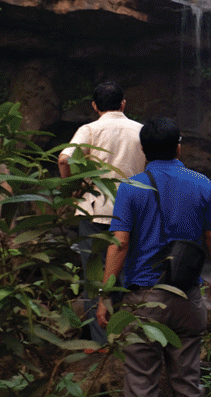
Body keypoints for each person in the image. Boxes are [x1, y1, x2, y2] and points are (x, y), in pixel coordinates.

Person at [97, 117, 211, 397]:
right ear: (179, 147)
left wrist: (106, 295)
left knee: (141, 383)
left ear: (143, 149)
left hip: (143, 300)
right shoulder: (202, 183)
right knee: (188, 382)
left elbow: (119, 244)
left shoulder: (130, 188)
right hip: (186, 296)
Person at [59, 81, 146, 345]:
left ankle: (99, 344)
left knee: (94, 277)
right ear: (123, 104)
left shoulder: (90, 130)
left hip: (96, 211)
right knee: (129, 275)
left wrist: (73, 190)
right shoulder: (141, 131)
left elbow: (64, 159)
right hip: (133, 213)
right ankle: (127, 339)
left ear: (95, 106)